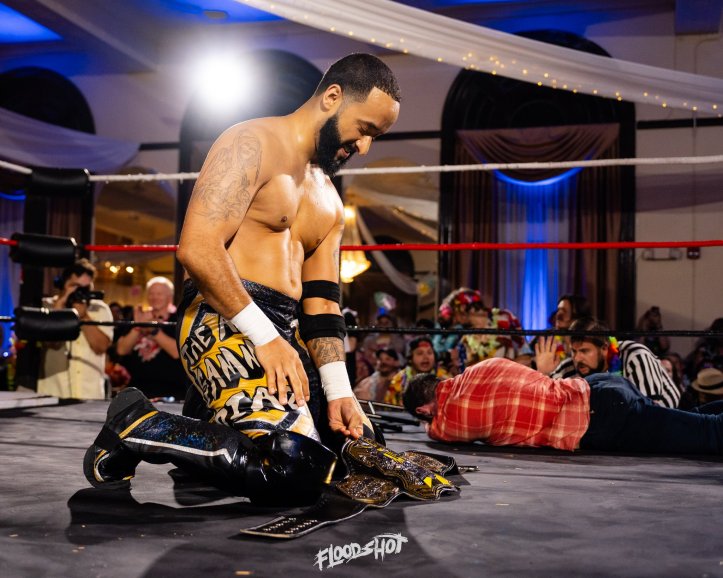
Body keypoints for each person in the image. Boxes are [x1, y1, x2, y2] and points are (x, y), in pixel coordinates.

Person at [85, 52, 401, 497]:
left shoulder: (329, 199)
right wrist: (264, 337)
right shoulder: (252, 143)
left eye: (375, 137)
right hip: (222, 317)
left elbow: (322, 303)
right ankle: (137, 423)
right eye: (364, 129)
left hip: (286, 330)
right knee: (292, 466)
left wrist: (339, 391)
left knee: (360, 448)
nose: (364, 147)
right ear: (332, 97)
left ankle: (204, 422)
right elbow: (197, 249)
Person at [402, 357, 723, 454]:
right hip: (599, 387)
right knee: (693, 421)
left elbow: (438, 433)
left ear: (423, 410)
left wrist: (428, 423)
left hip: (596, 417)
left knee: (706, 434)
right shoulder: (482, 367)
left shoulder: (453, 418)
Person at [535, 317, 681, 408]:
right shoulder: (571, 367)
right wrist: (544, 375)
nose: (577, 358)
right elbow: (542, 405)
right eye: (574, 351)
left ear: (604, 348)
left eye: (584, 351)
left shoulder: (634, 355)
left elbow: (650, 411)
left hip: (670, 422)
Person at [37, 259, 112, 399]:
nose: (79, 292)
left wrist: (84, 317)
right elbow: (50, 342)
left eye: (85, 288)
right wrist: (59, 307)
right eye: (75, 286)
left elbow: (101, 347)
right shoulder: (47, 306)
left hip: (90, 394)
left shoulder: (100, 309)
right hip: (54, 392)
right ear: (62, 284)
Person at [115, 277, 189, 400]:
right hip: (138, 390)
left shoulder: (179, 318)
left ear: (170, 297)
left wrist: (153, 331)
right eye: (151, 293)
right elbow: (121, 350)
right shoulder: (138, 317)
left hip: (171, 392)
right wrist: (138, 326)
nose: (154, 297)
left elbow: (177, 352)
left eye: (159, 294)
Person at [384, 335, 449, 406]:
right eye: (420, 353)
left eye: (429, 353)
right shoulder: (398, 381)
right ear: (410, 358)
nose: (425, 357)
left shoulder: (445, 379)